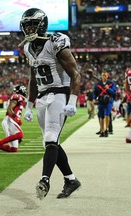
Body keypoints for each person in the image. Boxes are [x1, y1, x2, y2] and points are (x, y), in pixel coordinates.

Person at [19, 8, 81, 200]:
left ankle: (44, 180)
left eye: (32, 24)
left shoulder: (55, 42)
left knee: (51, 138)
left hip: (59, 94)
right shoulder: (28, 48)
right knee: (51, 141)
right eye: (26, 25)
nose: (29, 29)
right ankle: (71, 180)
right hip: (42, 97)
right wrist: (29, 105)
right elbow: (32, 79)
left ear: (42, 24)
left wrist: (72, 101)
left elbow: (75, 74)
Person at [0, 85, 26, 152]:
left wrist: (17, 120)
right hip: (9, 120)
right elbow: (9, 109)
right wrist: (16, 118)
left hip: (12, 121)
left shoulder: (20, 99)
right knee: (20, 135)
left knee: (13, 149)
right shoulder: (17, 97)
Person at [93, 71, 116, 137]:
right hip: (100, 100)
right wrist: (94, 98)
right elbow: (95, 92)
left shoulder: (111, 83)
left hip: (108, 100)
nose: (104, 77)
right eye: (103, 75)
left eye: (105, 75)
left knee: (107, 114)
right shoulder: (98, 84)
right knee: (101, 116)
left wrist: (108, 89)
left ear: (107, 76)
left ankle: (106, 129)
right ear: (101, 76)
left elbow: (114, 92)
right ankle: (102, 130)